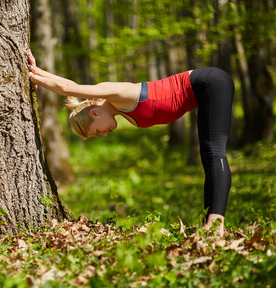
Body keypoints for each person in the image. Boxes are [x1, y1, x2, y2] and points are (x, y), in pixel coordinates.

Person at [27, 48, 234, 236]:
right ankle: (211, 223)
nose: (104, 134)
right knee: (209, 156)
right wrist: (37, 72)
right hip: (204, 90)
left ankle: (216, 224)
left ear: (95, 112)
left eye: (97, 131)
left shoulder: (117, 94)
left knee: (213, 152)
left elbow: (67, 87)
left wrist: (31, 75)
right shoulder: (121, 110)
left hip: (209, 82)